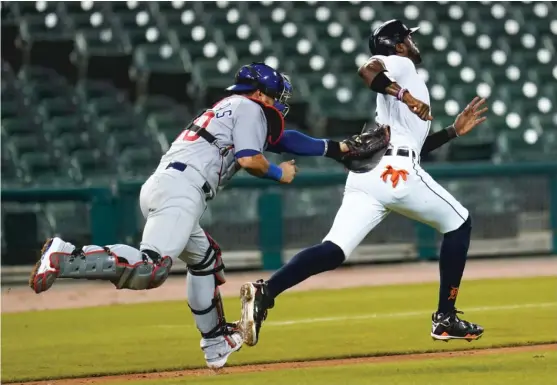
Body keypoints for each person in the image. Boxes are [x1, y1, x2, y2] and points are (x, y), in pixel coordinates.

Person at [28, 62, 367, 370]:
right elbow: (251, 159)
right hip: (182, 188)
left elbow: (284, 139)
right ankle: (66, 256)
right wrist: (280, 174)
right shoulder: (249, 107)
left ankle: (216, 341)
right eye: (276, 95)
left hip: (171, 184)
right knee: (151, 267)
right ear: (261, 93)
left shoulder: (232, 107)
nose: (280, 102)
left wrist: (334, 148)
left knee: (205, 259)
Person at [239, 20, 489, 348]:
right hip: (395, 172)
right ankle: (445, 317)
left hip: (368, 172)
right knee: (459, 223)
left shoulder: (402, 77)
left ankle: (266, 292)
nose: (413, 43)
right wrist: (405, 94)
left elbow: (414, 146)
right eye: (409, 38)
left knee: (333, 250)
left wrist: (452, 132)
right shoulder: (400, 65)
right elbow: (367, 70)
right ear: (398, 45)